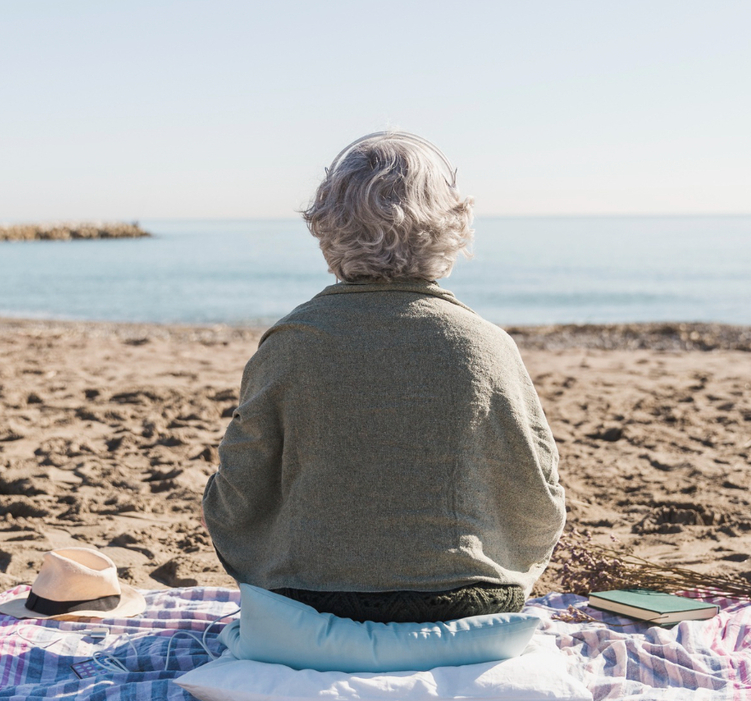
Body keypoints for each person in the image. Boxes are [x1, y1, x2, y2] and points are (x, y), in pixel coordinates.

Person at [202, 131, 565, 623]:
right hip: (469, 603)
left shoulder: (291, 342)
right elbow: (539, 496)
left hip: (308, 602)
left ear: (327, 224)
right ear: (452, 223)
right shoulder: (487, 344)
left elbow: (236, 493)